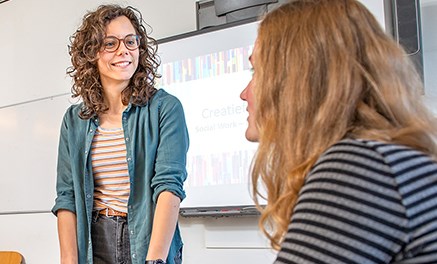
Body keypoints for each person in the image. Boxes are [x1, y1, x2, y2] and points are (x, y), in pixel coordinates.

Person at [240, 0, 437, 263]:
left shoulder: (362, 167)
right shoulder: (385, 159)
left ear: (299, 81)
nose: (244, 93)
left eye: (257, 71)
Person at [52, 5, 189, 264]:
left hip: (148, 238)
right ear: (91, 53)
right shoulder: (74, 120)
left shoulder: (166, 108)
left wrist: (155, 260)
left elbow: (169, 187)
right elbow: (67, 196)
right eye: (110, 44)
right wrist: (68, 260)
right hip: (94, 241)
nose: (123, 50)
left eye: (130, 41)